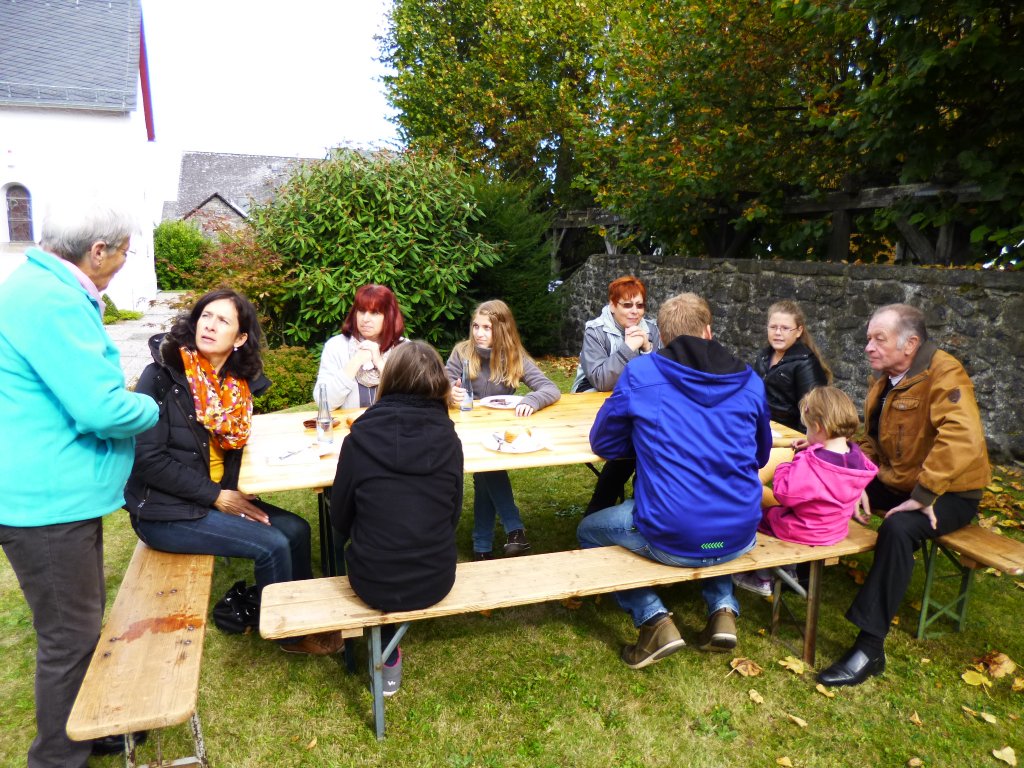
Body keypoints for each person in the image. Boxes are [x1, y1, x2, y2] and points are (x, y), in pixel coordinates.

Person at [0, 198, 159, 767]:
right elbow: (101, 409)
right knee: (68, 637)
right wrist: (152, 406)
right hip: (46, 503)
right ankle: (57, 757)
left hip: (55, 493)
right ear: (97, 251)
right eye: (123, 253)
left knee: (81, 624)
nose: (123, 262)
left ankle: (86, 725)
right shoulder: (53, 300)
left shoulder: (34, 286)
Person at [125, 289, 342, 656]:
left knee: (297, 530)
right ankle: (288, 635)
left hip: (212, 495)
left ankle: (301, 609)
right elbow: (147, 459)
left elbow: (234, 448)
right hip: (165, 512)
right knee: (272, 545)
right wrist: (217, 497)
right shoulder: (161, 377)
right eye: (206, 316)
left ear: (240, 338)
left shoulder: (235, 385)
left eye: (223, 320)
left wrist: (233, 488)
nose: (210, 325)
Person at [578, 292, 772, 668]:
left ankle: (653, 618)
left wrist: (646, 440)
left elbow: (603, 442)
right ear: (708, 331)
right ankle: (723, 609)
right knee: (711, 515)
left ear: (662, 337)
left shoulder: (643, 373)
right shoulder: (750, 381)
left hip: (673, 535)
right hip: (740, 533)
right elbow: (760, 455)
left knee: (588, 530)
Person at [817, 304, 991, 687]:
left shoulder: (944, 373)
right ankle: (799, 571)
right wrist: (854, 477)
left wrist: (925, 493)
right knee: (826, 476)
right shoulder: (884, 380)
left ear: (910, 344)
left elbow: (962, 437)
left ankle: (869, 648)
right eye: (868, 338)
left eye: (878, 339)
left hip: (950, 492)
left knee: (898, 528)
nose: (868, 347)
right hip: (898, 480)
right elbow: (870, 440)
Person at [331, 341, 463, 696]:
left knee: (368, 540)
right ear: (438, 384)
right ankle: (387, 655)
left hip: (372, 580)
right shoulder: (450, 439)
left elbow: (339, 519)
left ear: (388, 379)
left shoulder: (359, 438)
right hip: (436, 577)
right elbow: (452, 515)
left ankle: (386, 657)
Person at [733, 386, 878, 596]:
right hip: (834, 528)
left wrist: (786, 465)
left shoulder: (810, 464)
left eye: (807, 427)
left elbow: (785, 494)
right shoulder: (857, 459)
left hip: (804, 528)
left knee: (759, 517)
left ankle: (763, 577)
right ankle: (789, 571)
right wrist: (812, 445)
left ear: (817, 427)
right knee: (780, 514)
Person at [445, 299, 561, 560]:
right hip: (466, 429)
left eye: (487, 328)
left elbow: (550, 388)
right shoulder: (462, 352)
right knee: (489, 470)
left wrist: (532, 400)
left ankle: (482, 547)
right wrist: (449, 392)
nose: (479, 333)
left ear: (502, 329)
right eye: (476, 326)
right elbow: (439, 383)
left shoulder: (514, 355)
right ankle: (514, 530)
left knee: (486, 473)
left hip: (499, 432)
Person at [570, 275, 661, 513]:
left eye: (639, 305)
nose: (634, 311)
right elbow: (601, 380)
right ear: (612, 305)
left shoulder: (651, 330)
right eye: (627, 305)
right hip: (592, 401)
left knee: (639, 446)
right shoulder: (595, 331)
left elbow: (658, 379)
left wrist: (648, 349)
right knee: (632, 445)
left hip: (633, 402)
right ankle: (608, 509)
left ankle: (618, 507)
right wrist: (628, 349)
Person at [313, 284, 406, 409]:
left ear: (389, 316)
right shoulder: (336, 346)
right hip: (350, 422)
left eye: (375, 313)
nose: (365, 319)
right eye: (361, 311)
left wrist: (379, 363)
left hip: (393, 421)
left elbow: (412, 400)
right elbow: (324, 403)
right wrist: (355, 361)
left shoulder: (405, 349)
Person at [752, 299, 831, 432]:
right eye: (773, 327)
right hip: (762, 429)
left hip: (790, 435)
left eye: (785, 328)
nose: (778, 333)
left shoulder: (806, 363)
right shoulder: (763, 356)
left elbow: (813, 412)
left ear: (799, 331)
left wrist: (800, 442)